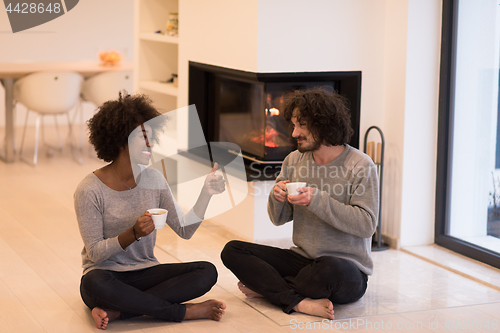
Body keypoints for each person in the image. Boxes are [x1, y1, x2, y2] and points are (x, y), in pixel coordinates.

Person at [221, 88, 379, 320]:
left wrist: (317, 200)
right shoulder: (294, 160)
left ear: (324, 124)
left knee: (327, 271)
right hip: (303, 260)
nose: (294, 133)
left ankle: (270, 288)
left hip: (345, 267)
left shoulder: (361, 166)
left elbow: (366, 225)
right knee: (233, 250)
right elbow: (278, 219)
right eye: (294, 125)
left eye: (301, 125)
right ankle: (300, 302)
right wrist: (277, 198)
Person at [75, 93, 226, 330]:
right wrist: (132, 233)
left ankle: (120, 311)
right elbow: (94, 254)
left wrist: (206, 193)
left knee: (206, 271)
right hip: (107, 276)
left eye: (152, 138)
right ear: (120, 139)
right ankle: (183, 312)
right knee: (93, 284)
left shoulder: (154, 178)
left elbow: (185, 230)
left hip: (147, 273)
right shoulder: (90, 189)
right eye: (144, 137)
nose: (151, 144)